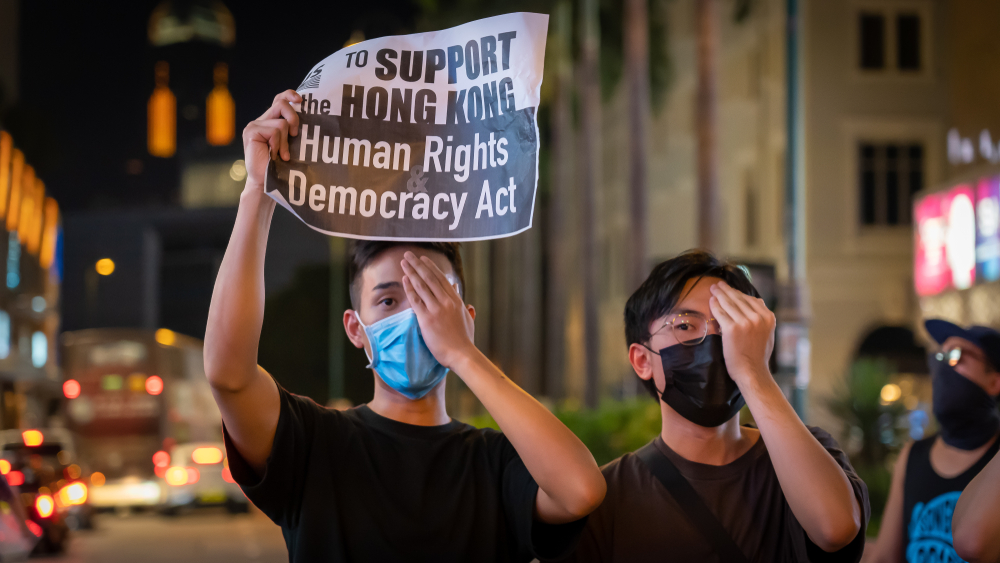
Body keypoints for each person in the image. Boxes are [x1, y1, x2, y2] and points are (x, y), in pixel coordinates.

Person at [204, 90, 606, 562]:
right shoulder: (314, 444)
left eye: (431, 296)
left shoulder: (496, 462)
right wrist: (259, 191)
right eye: (389, 299)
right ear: (356, 328)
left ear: (465, 319)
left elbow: (581, 490)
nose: (414, 315)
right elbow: (228, 375)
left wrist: (464, 355)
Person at [558, 250, 869, 563]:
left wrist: (754, 373)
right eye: (684, 326)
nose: (715, 341)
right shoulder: (610, 495)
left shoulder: (808, 455)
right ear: (642, 360)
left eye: (729, 324)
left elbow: (836, 530)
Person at [868, 319, 1000, 563]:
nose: (943, 369)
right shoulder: (913, 455)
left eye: (957, 356)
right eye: (938, 357)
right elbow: (885, 556)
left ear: (995, 382)